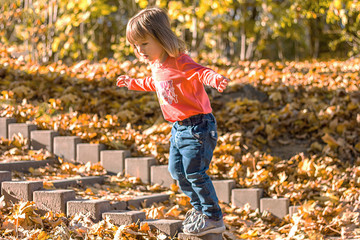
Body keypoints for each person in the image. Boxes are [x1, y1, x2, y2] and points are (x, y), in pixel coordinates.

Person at [116, 7, 229, 236]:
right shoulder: (157, 65)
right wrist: (132, 83)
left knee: (195, 172)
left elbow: (200, 72)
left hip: (198, 126)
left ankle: (213, 215)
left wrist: (215, 79)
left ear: (160, 37)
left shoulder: (180, 61)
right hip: (178, 128)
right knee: (177, 171)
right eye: (135, 46)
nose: (140, 51)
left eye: (144, 44)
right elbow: (154, 83)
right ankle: (199, 210)